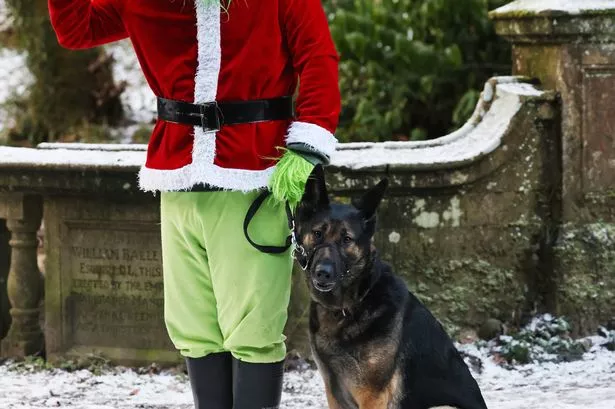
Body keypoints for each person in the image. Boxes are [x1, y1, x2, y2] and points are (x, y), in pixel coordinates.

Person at [47, 1, 341, 408]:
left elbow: (317, 57)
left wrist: (308, 145)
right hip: (178, 178)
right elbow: (76, 29)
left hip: (253, 177)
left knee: (253, 328)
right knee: (195, 327)